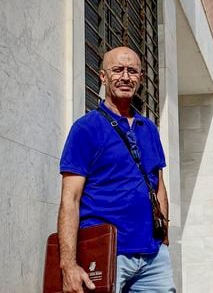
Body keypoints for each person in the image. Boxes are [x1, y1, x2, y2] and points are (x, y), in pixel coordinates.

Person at [57, 46, 176, 293]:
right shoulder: (85, 129)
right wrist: (68, 264)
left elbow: (159, 187)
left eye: (132, 71)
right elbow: (70, 198)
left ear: (140, 79)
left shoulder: (149, 129)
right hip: (106, 252)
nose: (125, 77)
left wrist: (164, 241)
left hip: (153, 257)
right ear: (102, 76)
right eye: (117, 70)